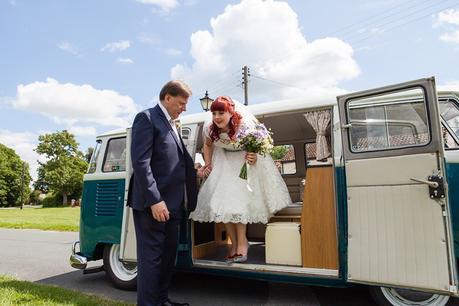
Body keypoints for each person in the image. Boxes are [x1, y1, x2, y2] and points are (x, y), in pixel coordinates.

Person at [190, 96, 292, 263]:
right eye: (214, 113)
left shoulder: (244, 127)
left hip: (242, 163)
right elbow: (207, 145)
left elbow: (258, 145)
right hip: (222, 162)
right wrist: (208, 164)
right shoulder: (210, 129)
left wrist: (253, 156)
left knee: (237, 205)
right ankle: (234, 242)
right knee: (220, 206)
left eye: (221, 113)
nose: (216, 117)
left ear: (231, 113)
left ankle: (242, 244)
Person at [130, 80, 197, 306]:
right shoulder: (147, 118)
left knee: (168, 259)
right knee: (151, 260)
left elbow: (174, 162)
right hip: (154, 204)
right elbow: (141, 163)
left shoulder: (173, 124)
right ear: (167, 98)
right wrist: (155, 199)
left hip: (174, 204)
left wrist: (195, 169)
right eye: (181, 103)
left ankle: (161, 301)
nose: (184, 108)